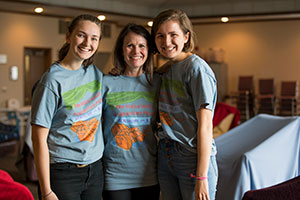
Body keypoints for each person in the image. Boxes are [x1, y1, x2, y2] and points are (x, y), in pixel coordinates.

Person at [31, 14, 104, 200]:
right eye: (81, 35)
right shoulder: (51, 80)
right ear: (68, 36)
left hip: (95, 169)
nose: (88, 42)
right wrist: (46, 191)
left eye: (94, 38)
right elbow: (38, 139)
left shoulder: (95, 73)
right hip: (63, 172)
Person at [151, 9, 218, 200]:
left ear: (186, 36)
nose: (167, 42)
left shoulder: (196, 69)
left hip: (192, 157)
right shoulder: (166, 69)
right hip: (166, 154)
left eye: (173, 35)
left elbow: (205, 126)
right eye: (160, 36)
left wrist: (202, 176)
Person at [101, 23, 161, 200]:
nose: (136, 51)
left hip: (148, 172)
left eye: (142, 45)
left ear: (149, 50)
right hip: (115, 173)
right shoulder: (106, 83)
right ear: (121, 50)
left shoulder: (157, 82)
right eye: (130, 45)